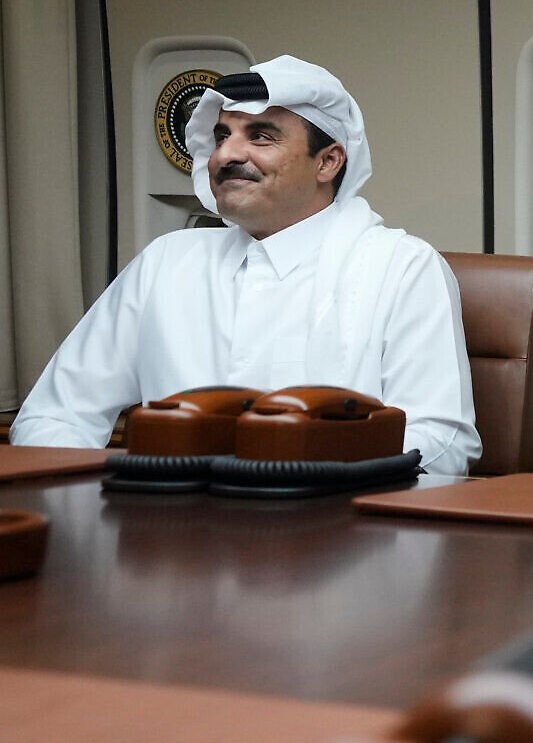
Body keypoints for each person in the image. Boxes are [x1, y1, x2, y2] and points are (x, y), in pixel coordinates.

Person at [11, 55, 480, 474]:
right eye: (222, 136)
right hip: (172, 541)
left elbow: (440, 444)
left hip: (335, 546)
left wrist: (304, 484)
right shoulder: (167, 263)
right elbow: (56, 414)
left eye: (261, 136)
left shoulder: (401, 268)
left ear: (328, 161)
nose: (226, 155)